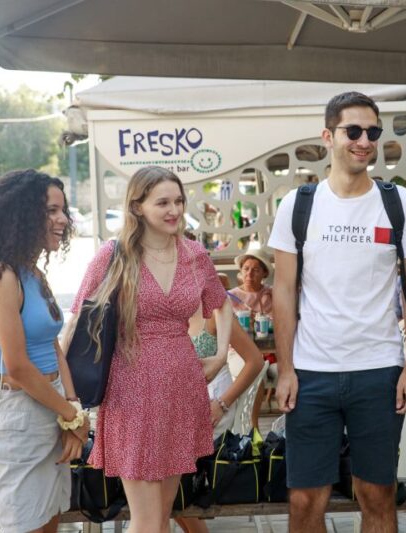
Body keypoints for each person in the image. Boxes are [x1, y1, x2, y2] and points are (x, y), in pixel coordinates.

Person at [269, 91, 406, 533]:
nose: (364, 141)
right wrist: (286, 369)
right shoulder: (298, 204)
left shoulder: (400, 204)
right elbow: (283, 291)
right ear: (328, 136)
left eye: (372, 132)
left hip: (378, 370)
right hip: (311, 372)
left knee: (377, 495)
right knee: (304, 500)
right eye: (353, 131)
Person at [69, 166, 233, 533]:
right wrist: (67, 399)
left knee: (160, 519)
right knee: (146, 522)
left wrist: (221, 354)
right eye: (162, 203)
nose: (174, 210)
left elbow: (222, 303)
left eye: (178, 201)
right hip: (132, 390)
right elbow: (77, 321)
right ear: (137, 206)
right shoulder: (113, 255)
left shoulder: (194, 254)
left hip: (182, 388)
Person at [0, 169, 89, 532]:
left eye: (63, 210)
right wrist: (71, 417)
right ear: (21, 215)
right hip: (19, 418)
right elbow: (17, 367)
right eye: (51, 211)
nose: (62, 219)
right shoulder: (1, 277)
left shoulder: (33, 273)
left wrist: (72, 408)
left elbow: (54, 345)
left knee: (50, 525)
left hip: (52, 408)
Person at [176, 295, 264, 533]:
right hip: (181, 409)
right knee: (163, 487)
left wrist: (222, 403)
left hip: (213, 407)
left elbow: (255, 361)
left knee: (168, 483)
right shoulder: (168, 306)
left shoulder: (214, 310)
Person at [229, 248, 277, 427]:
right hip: (239, 353)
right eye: (246, 269)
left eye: (255, 270)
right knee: (256, 371)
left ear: (264, 273)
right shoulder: (231, 297)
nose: (249, 274)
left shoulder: (272, 294)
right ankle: (253, 427)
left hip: (271, 352)